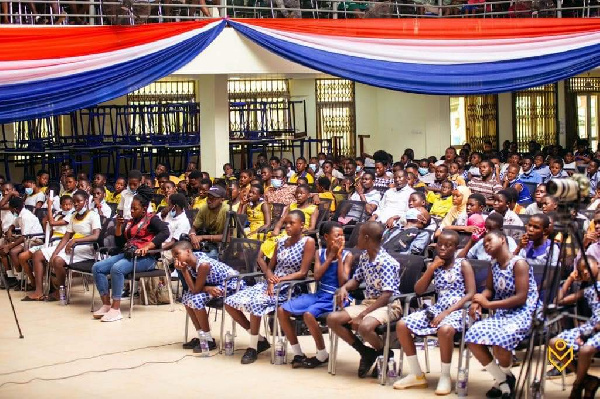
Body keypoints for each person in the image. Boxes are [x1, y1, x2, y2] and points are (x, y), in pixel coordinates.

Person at [225, 210, 315, 364]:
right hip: (271, 284)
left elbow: (303, 272)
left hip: (292, 287)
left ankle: (252, 347)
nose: (287, 226)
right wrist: (270, 278)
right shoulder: (280, 242)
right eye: (285, 223)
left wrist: (278, 280)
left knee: (256, 302)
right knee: (229, 302)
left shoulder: (308, 242)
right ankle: (259, 339)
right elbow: (269, 267)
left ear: (302, 225)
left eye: (291, 223)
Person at [394, 230, 475, 395]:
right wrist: (431, 268)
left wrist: (446, 313)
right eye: (440, 245)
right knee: (402, 325)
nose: (443, 248)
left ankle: (445, 376)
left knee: (445, 330)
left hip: (459, 310)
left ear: (456, 247)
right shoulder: (435, 264)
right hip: (437, 309)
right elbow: (418, 290)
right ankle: (416, 374)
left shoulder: (462, 264)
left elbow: (471, 293)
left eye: (448, 245)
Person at [465, 230, 539, 399]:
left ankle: (503, 380)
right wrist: (479, 300)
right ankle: (504, 379)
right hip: (503, 312)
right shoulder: (493, 264)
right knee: (472, 336)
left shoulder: (519, 264)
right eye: (484, 244)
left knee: (501, 339)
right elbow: (489, 289)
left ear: (503, 240)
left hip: (524, 312)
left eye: (489, 240)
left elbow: (521, 297)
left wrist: (488, 304)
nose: (487, 245)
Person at [326, 222, 401, 378]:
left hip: (389, 305)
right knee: (333, 319)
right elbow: (356, 280)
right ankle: (366, 352)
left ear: (366, 238)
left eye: (359, 235)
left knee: (365, 326)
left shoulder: (386, 263)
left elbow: (387, 295)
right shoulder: (365, 257)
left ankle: (385, 354)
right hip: (370, 303)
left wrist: (362, 315)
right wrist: (345, 288)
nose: (356, 238)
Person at [277, 222, 354, 368]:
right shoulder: (320, 253)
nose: (341, 239)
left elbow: (343, 281)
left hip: (337, 297)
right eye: (337, 235)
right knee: (282, 310)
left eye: (343, 235)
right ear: (326, 237)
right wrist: (330, 257)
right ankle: (298, 353)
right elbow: (317, 276)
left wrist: (337, 257)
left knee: (308, 314)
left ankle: (321, 353)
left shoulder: (347, 255)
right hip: (320, 294)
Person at [92, 185, 169, 322]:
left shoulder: (152, 219)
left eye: (135, 209)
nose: (132, 211)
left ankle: (116, 310)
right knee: (97, 268)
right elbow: (121, 243)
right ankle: (106, 304)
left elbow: (165, 232)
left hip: (147, 258)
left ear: (144, 209)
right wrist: (119, 227)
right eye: (131, 208)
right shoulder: (130, 222)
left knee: (117, 268)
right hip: (129, 254)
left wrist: (148, 246)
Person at [175, 240, 243, 353]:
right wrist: (206, 288)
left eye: (177, 254)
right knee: (187, 298)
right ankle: (202, 336)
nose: (175, 258)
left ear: (187, 251)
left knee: (195, 300)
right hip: (212, 285)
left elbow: (196, 290)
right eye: (174, 256)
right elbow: (192, 288)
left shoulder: (203, 264)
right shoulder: (191, 260)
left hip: (230, 284)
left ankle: (208, 340)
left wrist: (184, 271)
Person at [548, 256, 600, 399]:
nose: (586, 273)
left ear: (598, 264)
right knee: (555, 344)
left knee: (585, 350)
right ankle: (588, 381)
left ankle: (578, 385)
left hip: (596, 328)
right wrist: (570, 279)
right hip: (591, 326)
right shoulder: (589, 290)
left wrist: (589, 332)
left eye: (588, 268)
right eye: (582, 272)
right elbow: (558, 301)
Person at [19, 195, 74, 299]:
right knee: (23, 256)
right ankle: (35, 283)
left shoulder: (71, 215)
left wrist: (49, 206)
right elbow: (49, 227)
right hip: (50, 242)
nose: (67, 207)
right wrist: (46, 221)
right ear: (61, 206)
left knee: (38, 255)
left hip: (60, 243)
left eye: (70, 205)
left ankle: (39, 290)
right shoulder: (58, 214)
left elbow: (53, 223)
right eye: (65, 205)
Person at [261, 185, 318, 259]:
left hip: (299, 233)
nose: (298, 195)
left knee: (278, 243)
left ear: (308, 195)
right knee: (269, 241)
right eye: (296, 193)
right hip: (287, 231)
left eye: (301, 193)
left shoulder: (313, 209)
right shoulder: (292, 206)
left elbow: (312, 227)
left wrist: (303, 230)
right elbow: (282, 219)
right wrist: (276, 229)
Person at [0, 197, 44, 289]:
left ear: (15, 209)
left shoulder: (25, 217)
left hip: (35, 240)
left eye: (11, 209)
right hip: (27, 239)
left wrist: (10, 246)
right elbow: (14, 224)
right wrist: (10, 230)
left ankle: (21, 279)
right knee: (2, 248)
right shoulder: (20, 215)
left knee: (13, 251)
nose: (10, 211)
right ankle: (12, 277)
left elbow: (25, 236)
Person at [188, 186, 228, 260]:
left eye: (213, 199)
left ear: (222, 200)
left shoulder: (227, 211)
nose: (209, 201)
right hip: (209, 244)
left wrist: (203, 237)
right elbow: (194, 227)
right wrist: (193, 235)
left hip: (224, 246)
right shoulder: (204, 208)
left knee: (205, 259)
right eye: (208, 198)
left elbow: (229, 238)